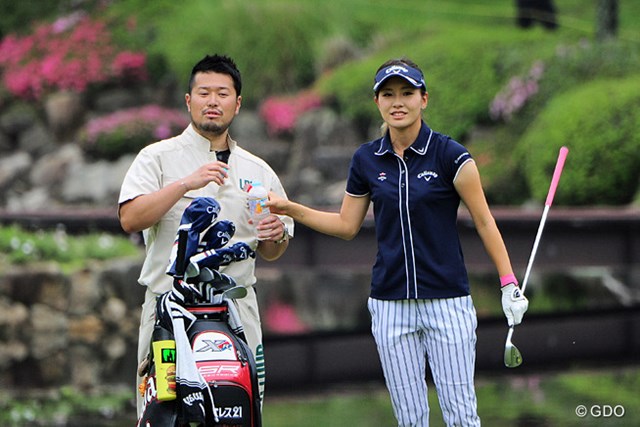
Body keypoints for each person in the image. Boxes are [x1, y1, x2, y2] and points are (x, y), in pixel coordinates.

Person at [267, 58, 528, 426]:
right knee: (410, 418)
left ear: (424, 99)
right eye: (388, 94)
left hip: (447, 301)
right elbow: (346, 225)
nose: (398, 101)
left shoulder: (450, 155)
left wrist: (507, 283)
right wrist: (291, 209)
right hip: (390, 305)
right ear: (377, 102)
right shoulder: (366, 160)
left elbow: (485, 221)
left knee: (461, 415)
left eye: (407, 92)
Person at [118, 54, 293, 418]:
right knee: (163, 415)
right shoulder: (157, 158)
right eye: (204, 93)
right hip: (169, 311)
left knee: (240, 411)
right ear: (188, 100)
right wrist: (186, 183)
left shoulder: (258, 170)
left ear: (238, 103)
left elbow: (273, 249)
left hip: (237, 312)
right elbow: (130, 218)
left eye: (222, 94)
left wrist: (276, 234)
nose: (213, 102)